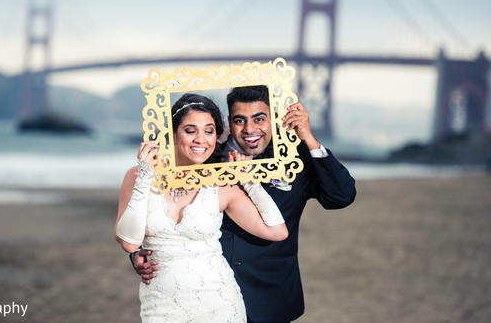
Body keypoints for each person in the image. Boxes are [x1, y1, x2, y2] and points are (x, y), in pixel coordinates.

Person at [134, 85, 357, 323]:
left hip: (270, 294)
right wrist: (140, 253)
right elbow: (164, 209)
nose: (250, 129)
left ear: (274, 120)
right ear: (230, 121)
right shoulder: (204, 153)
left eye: (259, 119)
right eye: (240, 120)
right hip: (207, 293)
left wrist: (309, 139)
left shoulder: (293, 158)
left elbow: (340, 197)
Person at [115, 93, 288, 323]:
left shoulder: (221, 184)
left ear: (216, 136)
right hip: (161, 306)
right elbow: (129, 242)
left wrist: (250, 183)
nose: (201, 139)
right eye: (190, 130)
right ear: (173, 134)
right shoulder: (139, 176)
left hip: (219, 304)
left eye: (209, 131)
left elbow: (277, 231)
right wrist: (144, 179)